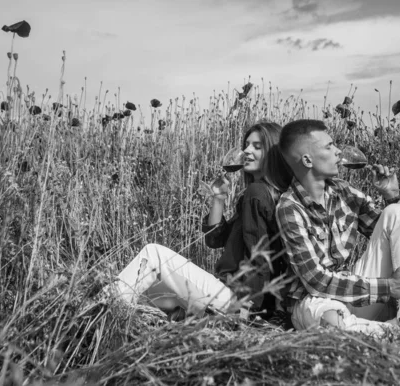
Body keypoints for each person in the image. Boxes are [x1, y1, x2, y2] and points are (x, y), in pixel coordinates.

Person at [107, 122, 289, 322]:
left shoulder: (258, 193)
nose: (246, 150)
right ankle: (114, 318)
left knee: (154, 254)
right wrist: (218, 199)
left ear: (273, 152)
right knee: (148, 291)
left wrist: (250, 309)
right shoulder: (258, 193)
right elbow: (214, 240)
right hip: (235, 298)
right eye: (246, 144)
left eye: (257, 146)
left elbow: (260, 256)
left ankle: (97, 309)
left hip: (240, 302)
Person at [275, 119, 400, 336]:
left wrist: (391, 196)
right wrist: (388, 287)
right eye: (329, 146)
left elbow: (391, 231)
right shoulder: (289, 208)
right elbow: (316, 281)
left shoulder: (343, 191)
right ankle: (392, 331)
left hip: (354, 290)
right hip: (314, 301)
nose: (338, 151)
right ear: (307, 160)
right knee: (333, 324)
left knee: (399, 213)